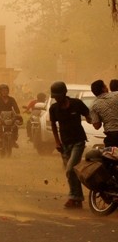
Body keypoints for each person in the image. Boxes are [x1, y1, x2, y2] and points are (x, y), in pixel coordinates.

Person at [49, 81, 91, 209]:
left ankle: (73, 197)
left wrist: (92, 119)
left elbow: (88, 115)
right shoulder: (54, 109)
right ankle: (77, 199)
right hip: (64, 143)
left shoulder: (76, 104)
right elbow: (53, 126)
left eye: (58, 96)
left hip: (78, 141)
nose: (56, 98)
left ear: (64, 93)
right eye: (55, 96)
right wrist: (57, 142)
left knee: (70, 169)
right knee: (73, 172)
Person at [0, 83, 21, 148]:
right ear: (0, 92)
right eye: (3, 91)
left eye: (6, 90)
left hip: (10, 117)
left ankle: (14, 140)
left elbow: (16, 108)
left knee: (15, 126)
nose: (5, 92)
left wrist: (17, 114)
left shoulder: (12, 99)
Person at [89, 79, 118, 147]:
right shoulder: (116, 95)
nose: (107, 88)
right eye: (105, 86)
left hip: (112, 136)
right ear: (103, 89)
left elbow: (97, 126)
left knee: (111, 155)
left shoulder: (93, 105)